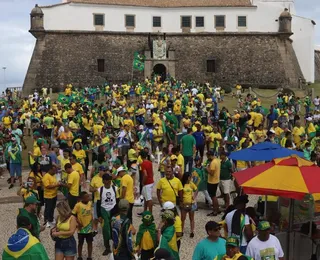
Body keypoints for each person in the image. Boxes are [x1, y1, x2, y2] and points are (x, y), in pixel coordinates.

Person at [97, 174, 118, 256]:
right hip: (104, 210)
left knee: (115, 229)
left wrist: (117, 212)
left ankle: (116, 246)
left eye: (109, 179)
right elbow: (98, 203)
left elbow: (118, 200)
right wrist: (99, 215)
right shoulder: (100, 190)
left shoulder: (115, 189)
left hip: (113, 210)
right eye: (106, 179)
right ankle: (107, 248)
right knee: (105, 230)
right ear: (103, 181)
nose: (108, 181)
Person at [72, 191, 93, 260]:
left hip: (89, 228)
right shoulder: (78, 205)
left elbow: (90, 213)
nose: (88, 198)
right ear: (82, 198)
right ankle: (79, 256)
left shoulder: (90, 203)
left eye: (88, 196)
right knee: (80, 243)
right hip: (81, 228)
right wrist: (78, 223)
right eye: (86, 197)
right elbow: (73, 215)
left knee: (90, 243)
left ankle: (89, 257)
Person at [180, 173, 197, 238]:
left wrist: (194, 196)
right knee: (183, 218)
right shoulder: (182, 184)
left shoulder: (191, 184)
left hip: (191, 203)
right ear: (187, 177)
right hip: (184, 204)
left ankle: (192, 231)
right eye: (190, 177)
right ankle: (181, 231)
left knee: (191, 218)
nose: (191, 178)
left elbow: (196, 189)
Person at [89, 165, 105, 235]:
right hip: (97, 199)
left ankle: (104, 228)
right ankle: (95, 229)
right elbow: (90, 189)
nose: (104, 172)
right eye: (103, 171)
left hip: (105, 200)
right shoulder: (94, 178)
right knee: (96, 216)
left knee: (104, 215)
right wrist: (96, 189)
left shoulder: (107, 177)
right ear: (99, 171)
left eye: (105, 171)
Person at [206, 151, 221, 216]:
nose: (207, 158)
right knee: (214, 196)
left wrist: (207, 169)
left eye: (207, 156)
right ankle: (217, 209)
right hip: (216, 180)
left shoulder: (213, 163)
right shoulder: (217, 160)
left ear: (210, 156)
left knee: (213, 196)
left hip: (212, 181)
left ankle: (215, 210)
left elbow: (211, 173)